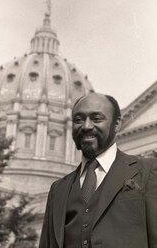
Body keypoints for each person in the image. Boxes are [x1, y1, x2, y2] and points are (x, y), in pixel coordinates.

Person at [39, 92, 157, 248]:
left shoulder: (148, 171)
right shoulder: (58, 189)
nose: (87, 126)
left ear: (117, 124)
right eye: (79, 120)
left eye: (97, 119)